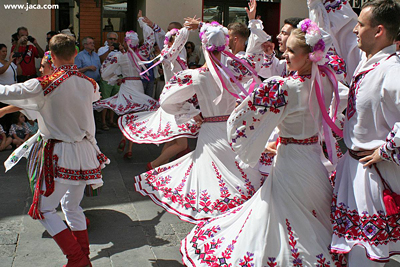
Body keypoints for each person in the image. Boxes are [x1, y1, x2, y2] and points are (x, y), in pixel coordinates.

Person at [181, 17, 347, 266]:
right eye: (287, 49)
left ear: (309, 55)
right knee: (310, 213)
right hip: (313, 158)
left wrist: (255, 144)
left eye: (292, 50)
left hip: (291, 160)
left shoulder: (284, 87)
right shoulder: (328, 79)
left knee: (282, 212)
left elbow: (241, 121)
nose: (286, 54)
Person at [134, 1, 268, 223]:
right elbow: (255, 52)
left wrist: (192, 112)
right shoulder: (236, 68)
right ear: (226, 44)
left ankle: (216, 216)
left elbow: (167, 101)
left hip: (209, 129)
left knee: (211, 174)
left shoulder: (195, 75)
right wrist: (253, 21)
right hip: (232, 128)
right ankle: (235, 214)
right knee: (237, 171)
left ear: (204, 46)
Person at [0, 33, 109, 266]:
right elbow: (88, 98)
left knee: (43, 209)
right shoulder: (90, 84)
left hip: (60, 154)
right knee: (71, 206)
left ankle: (77, 258)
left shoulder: (45, 83)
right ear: (75, 54)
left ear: (52, 55)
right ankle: (82, 257)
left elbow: (6, 92)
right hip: (85, 152)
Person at [307, 0, 400, 266]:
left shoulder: (392, 71)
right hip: (355, 169)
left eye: (361, 25)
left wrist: (386, 150)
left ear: (379, 31)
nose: (356, 30)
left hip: (374, 175)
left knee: (365, 254)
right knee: (353, 249)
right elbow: (341, 35)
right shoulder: (367, 62)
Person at [118, 19, 198, 169]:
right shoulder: (171, 55)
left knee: (173, 139)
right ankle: (155, 164)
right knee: (181, 143)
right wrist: (187, 29)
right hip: (176, 102)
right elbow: (176, 41)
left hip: (175, 99)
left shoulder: (170, 55)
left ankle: (160, 166)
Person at [93, 11, 159, 159]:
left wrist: (115, 78)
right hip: (138, 85)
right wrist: (141, 21)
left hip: (126, 85)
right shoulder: (143, 53)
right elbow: (150, 38)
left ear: (125, 42)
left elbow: (104, 73)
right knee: (135, 116)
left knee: (126, 114)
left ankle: (124, 136)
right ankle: (129, 147)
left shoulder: (119, 56)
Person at [97, 32, 122, 130]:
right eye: (110, 39)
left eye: (114, 39)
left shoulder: (119, 50)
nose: (112, 41)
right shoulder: (102, 49)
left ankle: (111, 120)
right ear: (107, 40)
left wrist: (122, 49)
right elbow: (101, 59)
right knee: (105, 101)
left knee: (114, 101)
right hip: (106, 79)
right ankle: (103, 122)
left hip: (116, 78)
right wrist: (109, 50)